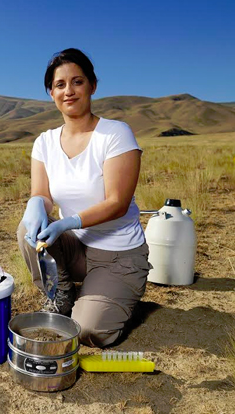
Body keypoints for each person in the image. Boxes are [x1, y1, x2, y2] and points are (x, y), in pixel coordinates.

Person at [17, 48, 150, 349]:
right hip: (76, 249)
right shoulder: (45, 142)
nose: (69, 91)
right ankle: (62, 294)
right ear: (51, 92)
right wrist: (35, 205)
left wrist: (67, 222)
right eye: (60, 84)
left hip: (119, 257)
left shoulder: (115, 134)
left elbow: (117, 201)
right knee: (27, 228)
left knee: (87, 332)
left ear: (92, 85)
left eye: (77, 81)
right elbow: (42, 194)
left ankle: (111, 294)